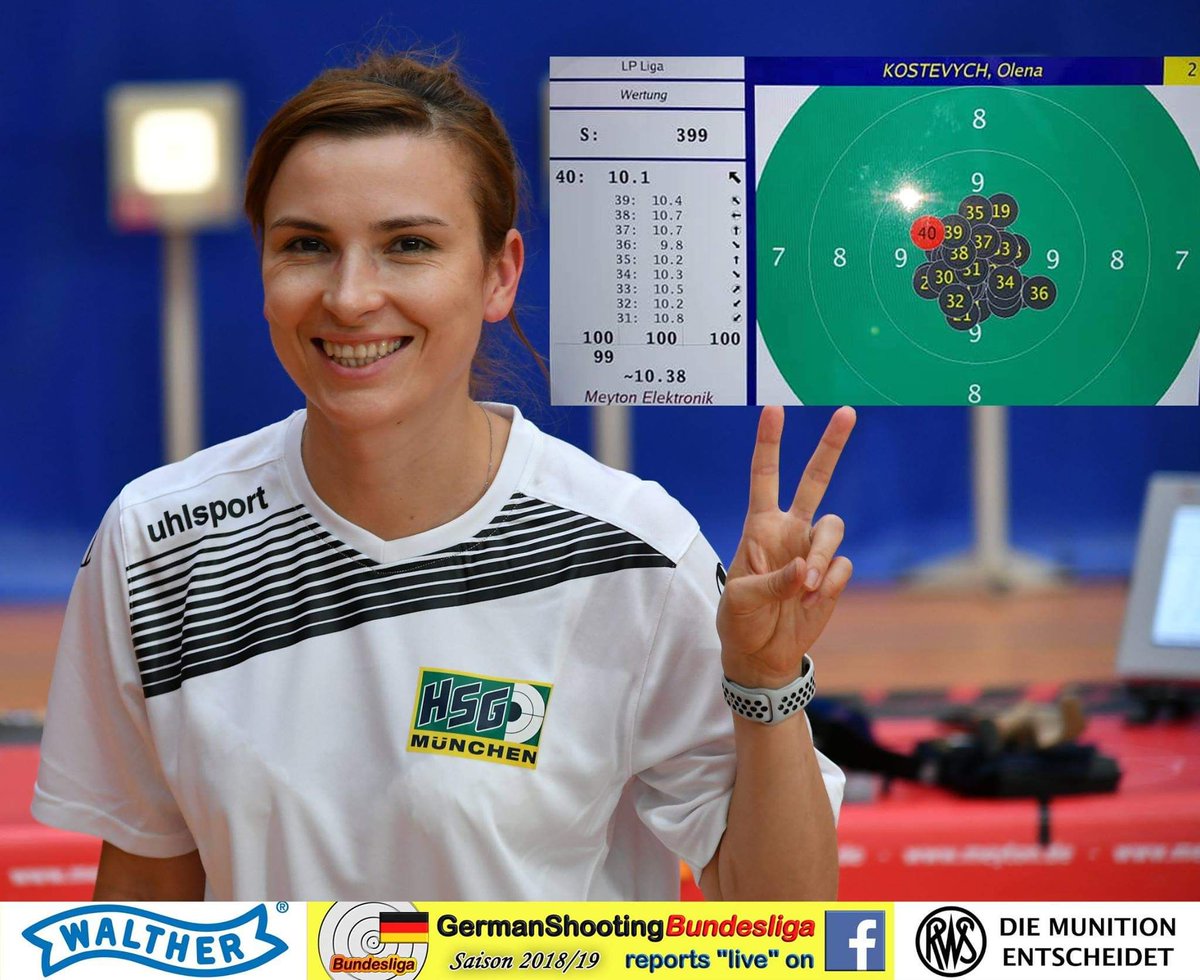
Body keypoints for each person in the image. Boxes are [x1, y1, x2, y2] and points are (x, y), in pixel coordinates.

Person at [32, 51, 854, 901]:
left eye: (409, 246)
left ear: (500, 274)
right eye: (307, 245)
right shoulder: (157, 542)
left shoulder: (632, 554)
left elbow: (786, 921)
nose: (350, 297)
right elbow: (147, 902)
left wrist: (767, 682)